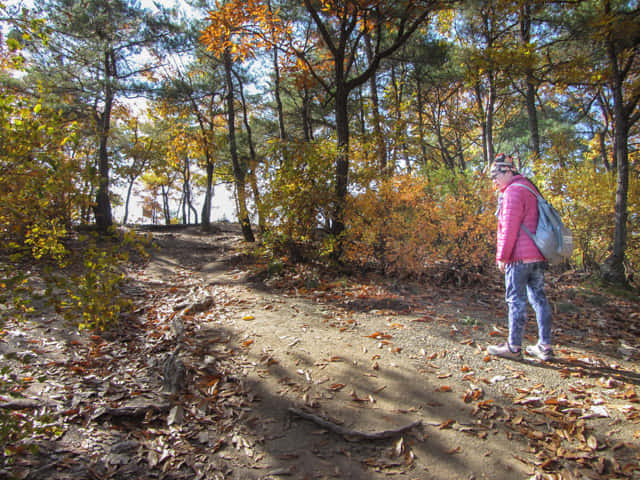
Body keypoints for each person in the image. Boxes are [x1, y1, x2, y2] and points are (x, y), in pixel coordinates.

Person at [487, 154, 554, 361]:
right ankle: (544, 346)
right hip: (538, 255)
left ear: (508, 171)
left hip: (518, 257)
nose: (494, 180)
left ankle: (514, 347)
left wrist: (502, 257)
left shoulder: (513, 192)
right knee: (539, 299)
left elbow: (508, 228)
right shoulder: (530, 188)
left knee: (515, 300)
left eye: (495, 175)